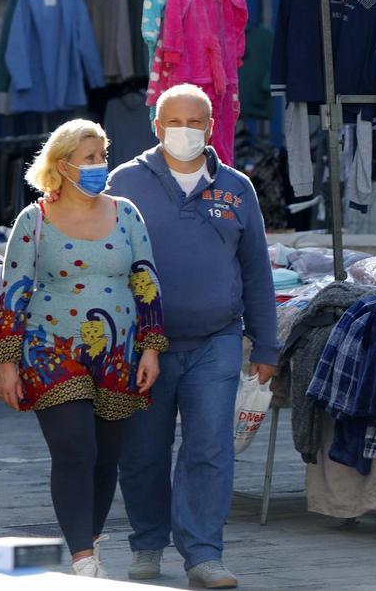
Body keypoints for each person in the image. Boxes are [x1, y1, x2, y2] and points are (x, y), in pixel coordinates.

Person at [106, 83, 279, 589]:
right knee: (143, 451)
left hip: (216, 340)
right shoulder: (124, 182)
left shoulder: (236, 188)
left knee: (209, 449)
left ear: (210, 127)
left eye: (196, 122)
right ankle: (146, 542)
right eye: (175, 122)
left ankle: (204, 554)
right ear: (157, 127)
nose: (185, 131)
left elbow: (256, 273)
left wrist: (266, 345)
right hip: (142, 347)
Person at [0, 119, 166, 578]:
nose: (98, 166)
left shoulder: (126, 212)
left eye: (101, 156)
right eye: (89, 159)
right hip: (51, 351)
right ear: (62, 165)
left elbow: (145, 280)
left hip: (119, 353)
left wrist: (151, 349)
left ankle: (87, 540)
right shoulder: (34, 220)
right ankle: (82, 560)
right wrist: (7, 363)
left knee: (106, 455)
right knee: (75, 448)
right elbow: (15, 292)